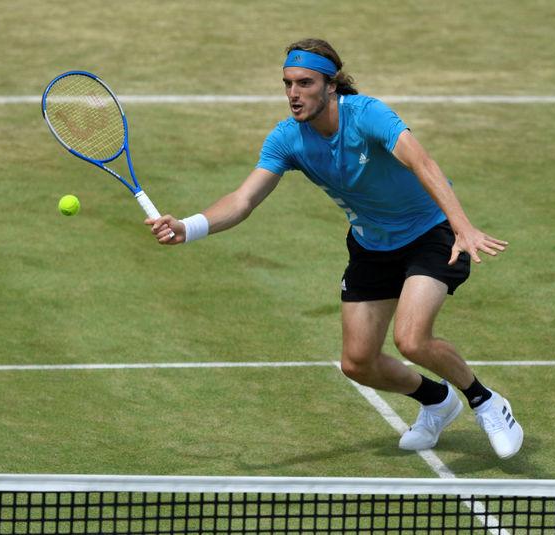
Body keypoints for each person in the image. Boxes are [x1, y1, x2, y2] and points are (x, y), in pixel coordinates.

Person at [146, 38, 523, 459]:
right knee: (357, 363)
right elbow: (243, 200)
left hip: (430, 232)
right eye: (287, 84)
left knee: (411, 339)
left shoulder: (367, 116)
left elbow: (423, 164)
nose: (293, 94)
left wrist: (462, 225)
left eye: (305, 83)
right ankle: (437, 400)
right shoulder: (288, 139)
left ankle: (486, 402)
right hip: (371, 245)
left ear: (332, 85)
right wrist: (188, 226)